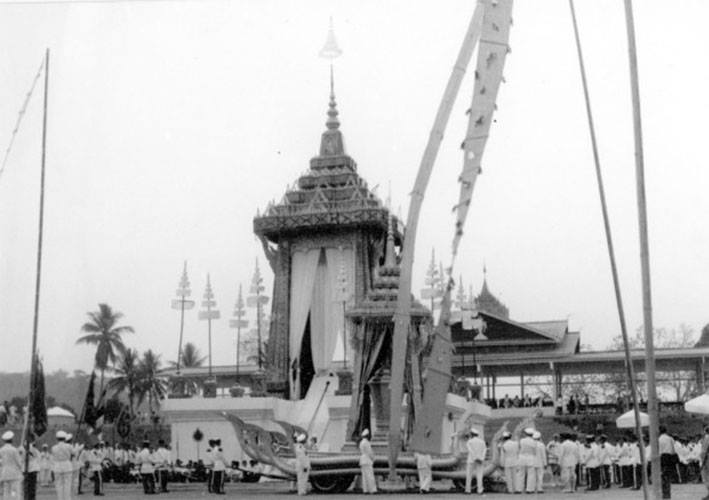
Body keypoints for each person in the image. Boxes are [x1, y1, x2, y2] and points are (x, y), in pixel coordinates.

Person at [51, 431, 74, 500]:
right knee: (67, 485)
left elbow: (53, 457)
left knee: (59, 486)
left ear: (57, 438)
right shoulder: (69, 446)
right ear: (64, 438)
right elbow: (74, 453)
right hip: (67, 466)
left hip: (57, 467)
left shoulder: (53, 447)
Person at [0, 431, 22, 500]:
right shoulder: (14, 450)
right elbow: (19, 462)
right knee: (14, 491)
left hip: (5, 473)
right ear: (11, 440)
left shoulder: (1, 450)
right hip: (14, 474)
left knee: (6, 492)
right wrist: (20, 455)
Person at [465, 428, 486, 494]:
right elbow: (484, 451)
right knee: (479, 475)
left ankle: (468, 490)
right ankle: (480, 490)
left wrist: (475, 458)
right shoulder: (482, 442)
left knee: (469, 475)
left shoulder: (469, 442)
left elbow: (470, 451)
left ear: (472, 434)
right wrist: (481, 458)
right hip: (480, 461)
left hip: (471, 460)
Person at [659, 425, 676, 499]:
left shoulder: (659, 439)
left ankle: (664, 493)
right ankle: (667, 493)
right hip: (669, 457)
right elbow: (673, 450)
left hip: (662, 457)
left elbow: (658, 450)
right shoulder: (670, 438)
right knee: (668, 476)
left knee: (662, 475)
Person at [518, 428, 537, 493]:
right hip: (530, 457)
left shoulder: (522, 440)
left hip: (522, 457)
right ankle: (529, 489)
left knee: (520, 474)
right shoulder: (534, 442)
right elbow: (535, 451)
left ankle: (519, 489)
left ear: (526, 434)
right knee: (531, 474)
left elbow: (519, 448)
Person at [358, 429, 377, 494]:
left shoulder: (361, 442)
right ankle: (372, 490)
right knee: (370, 476)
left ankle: (365, 490)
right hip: (367, 460)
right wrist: (373, 459)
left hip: (362, 460)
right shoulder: (367, 443)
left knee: (364, 477)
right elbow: (369, 452)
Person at [700, 426, 709, 500]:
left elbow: (704, 451)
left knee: (706, 476)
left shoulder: (707, 437)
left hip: (707, 459)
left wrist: (702, 461)